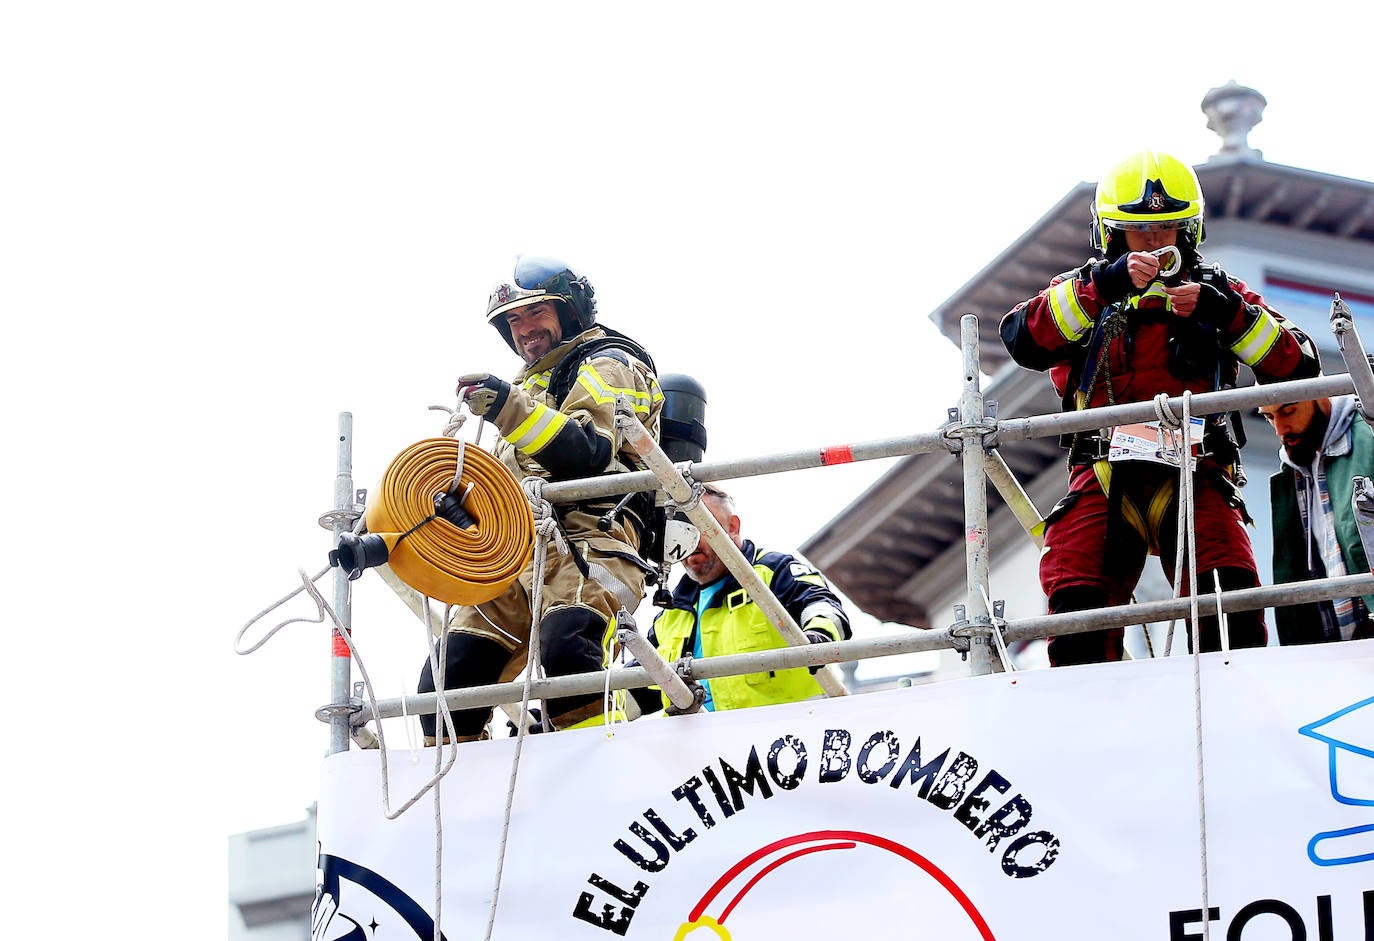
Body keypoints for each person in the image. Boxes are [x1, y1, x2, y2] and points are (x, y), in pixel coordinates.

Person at [999, 150, 1320, 666]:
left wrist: (1226, 314)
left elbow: (1297, 367)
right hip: (1102, 476)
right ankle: (1092, 724)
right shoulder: (1081, 290)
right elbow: (1021, 338)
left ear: (1188, 233)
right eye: (1139, 231)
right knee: (1076, 612)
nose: (1154, 241)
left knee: (1231, 605)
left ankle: (1230, 720)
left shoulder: (1220, 293)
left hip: (1197, 472)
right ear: (1111, 234)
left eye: (1166, 229)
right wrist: (1103, 288)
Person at [418, 256, 664, 741]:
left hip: (591, 541)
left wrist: (507, 407)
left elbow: (589, 453)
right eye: (513, 320)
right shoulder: (528, 384)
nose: (524, 329)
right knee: (448, 678)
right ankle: (462, 800)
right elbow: (509, 481)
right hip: (514, 548)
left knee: (570, 650)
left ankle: (595, 771)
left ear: (570, 311)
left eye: (536, 313)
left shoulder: (609, 364)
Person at [631, 484, 851, 714]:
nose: (691, 540)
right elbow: (634, 691)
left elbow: (820, 605)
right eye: (682, 530)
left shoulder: (774, 573)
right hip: (701, 746)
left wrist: (820, 637)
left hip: (792, 738)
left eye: (700, 525)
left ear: (733, 527)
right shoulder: (671, 612)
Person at [1260, 393, 1374, 643]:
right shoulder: (1294, 470)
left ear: (1321, 397)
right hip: (1339, 650)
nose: (1280, 429)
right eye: (1269, 417)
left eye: (1288, 412)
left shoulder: (1368, 432)